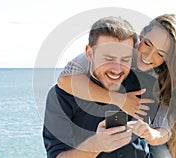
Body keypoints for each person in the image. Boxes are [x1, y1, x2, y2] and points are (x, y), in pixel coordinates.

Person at [57, 14, 176, 157]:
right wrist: (120, 100)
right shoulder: (119, 45)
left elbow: (163, 129)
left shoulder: (163, 79)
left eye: (160, 54)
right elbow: (65, 79)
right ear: (142, 34)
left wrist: (150, 134)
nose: (148, 55)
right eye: (148, 44)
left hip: (144, 136)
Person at [43, 16, 159, 158]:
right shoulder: (61, 97)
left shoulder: (144, 84)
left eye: (125, 59)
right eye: (108, 59)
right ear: (89, 53)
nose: (117, 69)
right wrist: (95, 146)